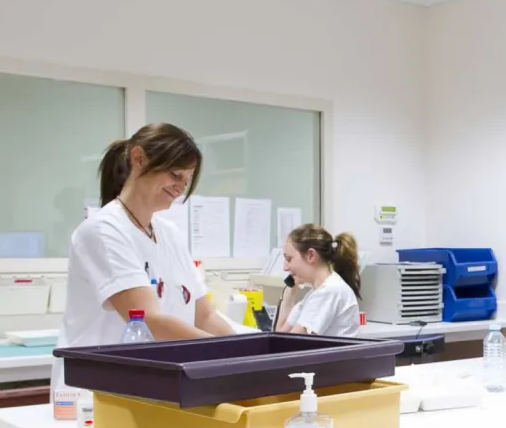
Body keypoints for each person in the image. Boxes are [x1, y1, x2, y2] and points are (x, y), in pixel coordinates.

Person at [55, 123, 233, 380]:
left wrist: (250, 351)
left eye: (186, 179)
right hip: (97, 387)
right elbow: (148, 319)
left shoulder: (169, 233)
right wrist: (227, 352)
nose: (180, 187)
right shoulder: (104, 230)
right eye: (175, 174)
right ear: (138, 159)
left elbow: (203, 315)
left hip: (157, 383)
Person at [276, 224, 361, 338]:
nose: (285, 268)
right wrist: (290, 291)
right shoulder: (315, 294)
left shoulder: (329, 292)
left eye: (289, 259)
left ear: (311, 255)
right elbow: (280, 334)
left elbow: (289, 344)